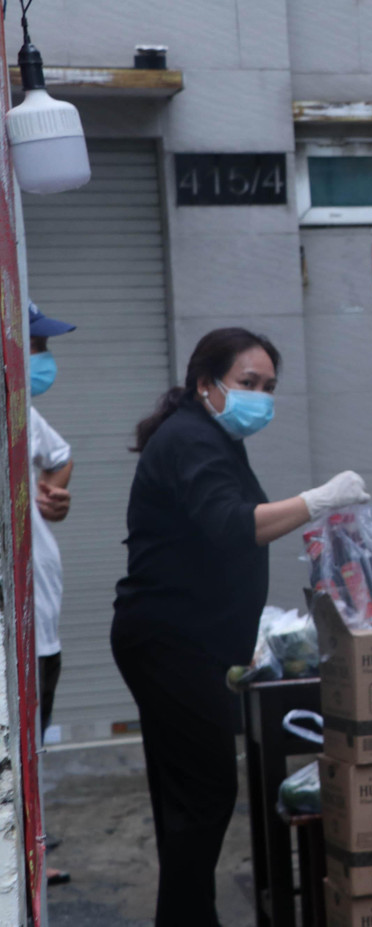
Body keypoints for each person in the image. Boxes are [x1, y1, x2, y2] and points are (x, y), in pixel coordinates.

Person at [111, 328, 370, 926]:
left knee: (187, 799)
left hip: (186, 640)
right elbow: (234, 525)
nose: (261, 396)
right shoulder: (190, 440)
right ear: (207, 385)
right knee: (202, 797)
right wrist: (320, 499)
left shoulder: (211, 438)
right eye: (248, 383)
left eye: (269, 387)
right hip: (170, 643)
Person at [28, 302, 76, 887]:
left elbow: (61, 459)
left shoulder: (22, 413)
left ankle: (32, 845)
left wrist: (51, 497)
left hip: (42, 617)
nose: (45, 358)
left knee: (33, 744)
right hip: (15, 627)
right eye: (37, 345)